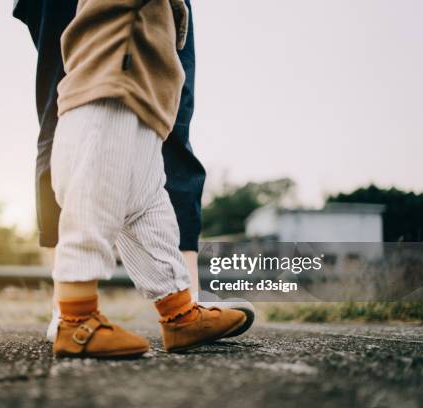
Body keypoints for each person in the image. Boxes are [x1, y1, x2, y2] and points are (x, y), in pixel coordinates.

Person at [13, 0, 254, 355]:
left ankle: (179, 314)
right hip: (109, 91)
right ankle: (75, 319)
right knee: (93, 204)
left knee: (150, 214)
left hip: (142, 105)